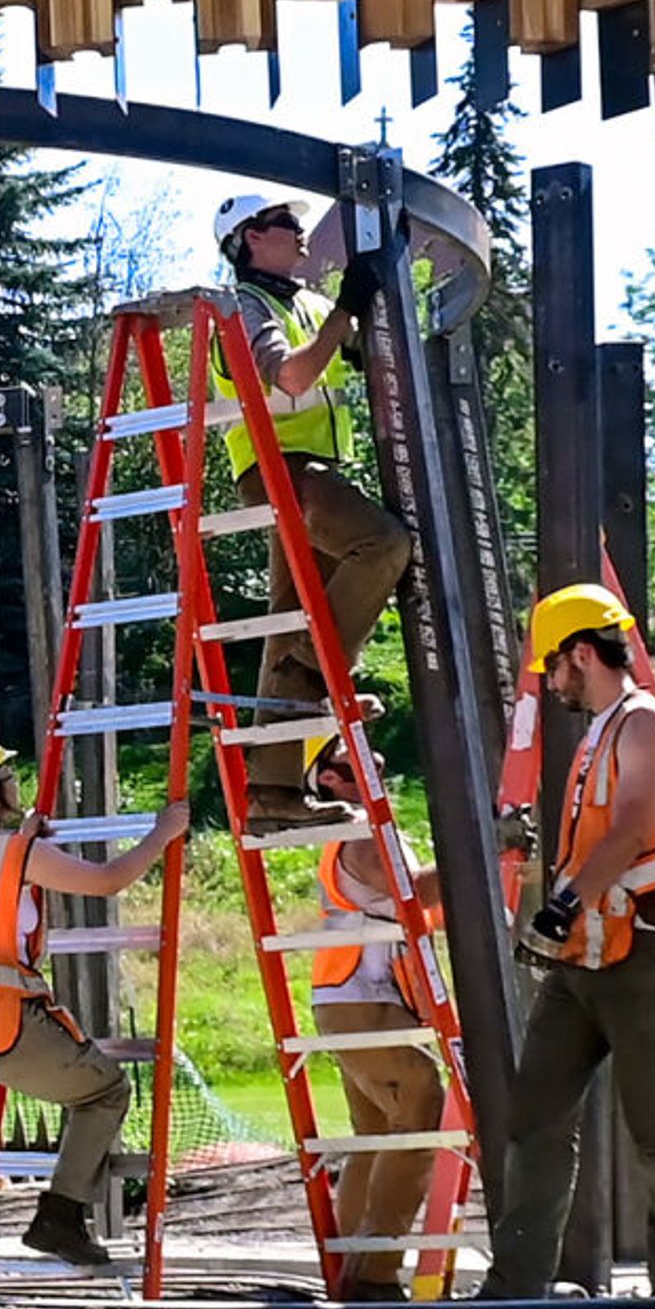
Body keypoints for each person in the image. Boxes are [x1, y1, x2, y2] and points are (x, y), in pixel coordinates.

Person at [478, 583, 655, 1300]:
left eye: (554, 667)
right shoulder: (601, 732)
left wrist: (563, 902)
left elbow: (633, 825)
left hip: (639, 953)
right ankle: (517, 1285)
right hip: (584, 957)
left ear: (581, 652)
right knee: (535, 1115)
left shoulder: (641, 723)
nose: (552, 683)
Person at [0, 756, 194, 1269]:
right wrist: (162, 833)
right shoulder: (17, 853)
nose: (16, 781)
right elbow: (108, 880)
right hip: (2, 1024)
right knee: (105, 1091)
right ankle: (59, 1215)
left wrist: (26, 839)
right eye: (7, 776)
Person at [208, 191, 413, 835]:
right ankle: (317, 665)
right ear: (247, 241)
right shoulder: (244, 307)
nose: (299, 233)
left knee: (286, 619)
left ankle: (270, 791)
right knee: (383, 546)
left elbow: (348, 351)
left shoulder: (305, 305)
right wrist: (347, 308)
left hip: (311, 476)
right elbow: (291, 378)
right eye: (283, 225)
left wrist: (370, 297)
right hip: (283, 473)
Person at [298, 735, 449, 1301]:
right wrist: (475, 852)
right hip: (360, 997)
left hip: (349, 994)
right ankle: (376, 1273)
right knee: (421, 1104)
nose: (377, 758)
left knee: (374, 1137)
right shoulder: (359, 829)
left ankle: (350, 1271)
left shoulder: (359, 824)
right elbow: (412, 894)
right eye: (352, 756)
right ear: (331, 780)